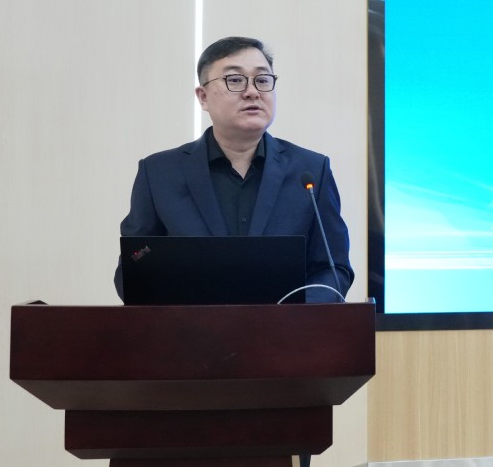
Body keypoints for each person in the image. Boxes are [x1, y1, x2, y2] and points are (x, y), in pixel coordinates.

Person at [114, 36, 353, 303]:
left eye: (262, 80)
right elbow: (134, 263)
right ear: (203, 97)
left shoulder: (310, 172)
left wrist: (292, 315)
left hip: (286, 327)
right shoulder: (159, 173)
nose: (252, 92)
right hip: (189, 327)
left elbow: (333, 268)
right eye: (235, 80)